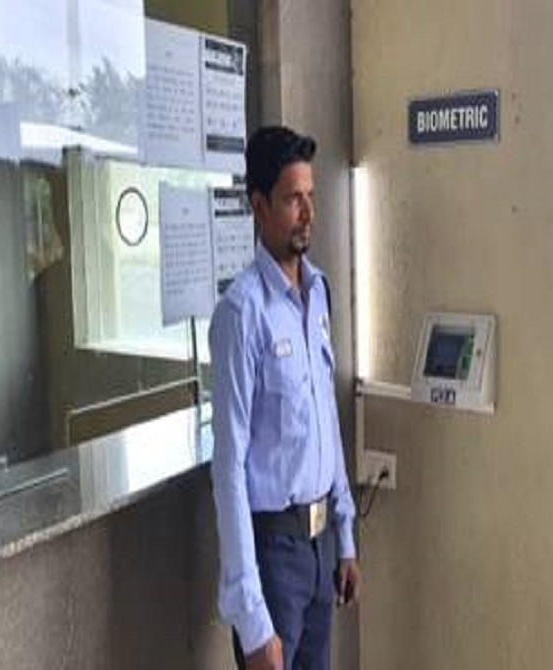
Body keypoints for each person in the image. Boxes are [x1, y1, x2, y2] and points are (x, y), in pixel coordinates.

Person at [209, 125, 361, 670]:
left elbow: (326, 422)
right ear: (259, 206)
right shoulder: (241, 313)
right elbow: (228, 468)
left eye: (311, 197)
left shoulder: (317, 294)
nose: (308, 212)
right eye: (293, 199)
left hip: (321, 551)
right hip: (274, 557)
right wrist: (252, 617)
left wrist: (345, 536)